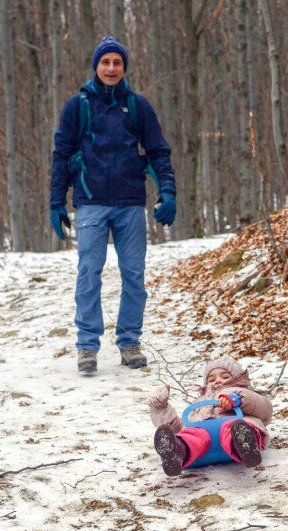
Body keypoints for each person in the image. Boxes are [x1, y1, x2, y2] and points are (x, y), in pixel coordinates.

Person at [49, 36, 177, 376]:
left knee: (133, 275)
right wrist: (55, 202)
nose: (110, 68)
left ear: (123, 68)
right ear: (96, 66)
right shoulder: (77, 106)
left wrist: (167, 190)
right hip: (90, 202)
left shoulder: (138, 106)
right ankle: (87, 347)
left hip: (130, 203)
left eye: (116, 63)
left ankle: (129, 341)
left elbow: (158, 151)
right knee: (89, 273)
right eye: (105, 62)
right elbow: (61, 154)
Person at [147, 357, 273, 476]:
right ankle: (176, 452)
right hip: (202, 435)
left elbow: (265, 410)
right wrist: (161, 409)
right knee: (191, 436)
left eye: (225, 377)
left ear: (237, 379)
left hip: (231, 426)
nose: (217, 380)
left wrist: (237, 398)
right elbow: (180, 427)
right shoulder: (199, 403)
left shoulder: (243, 393)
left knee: (232, 428)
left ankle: (245, 445)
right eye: (211, 379)